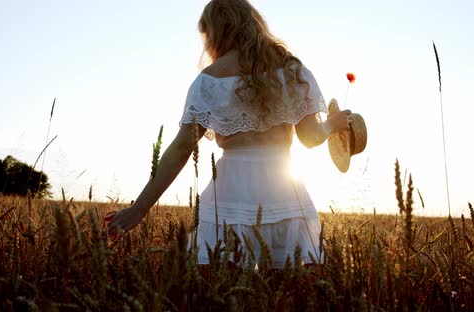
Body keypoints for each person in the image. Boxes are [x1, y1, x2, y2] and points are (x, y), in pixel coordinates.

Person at [106, 0, 352, 268]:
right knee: (282, 292)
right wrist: (333, 124)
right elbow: (311, 137)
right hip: (285, 194)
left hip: (228, 194)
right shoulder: (291, 70)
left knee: (224, 288)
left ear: (217, 32)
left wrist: (140, 207)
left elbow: (180, 150)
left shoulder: (208, 81)